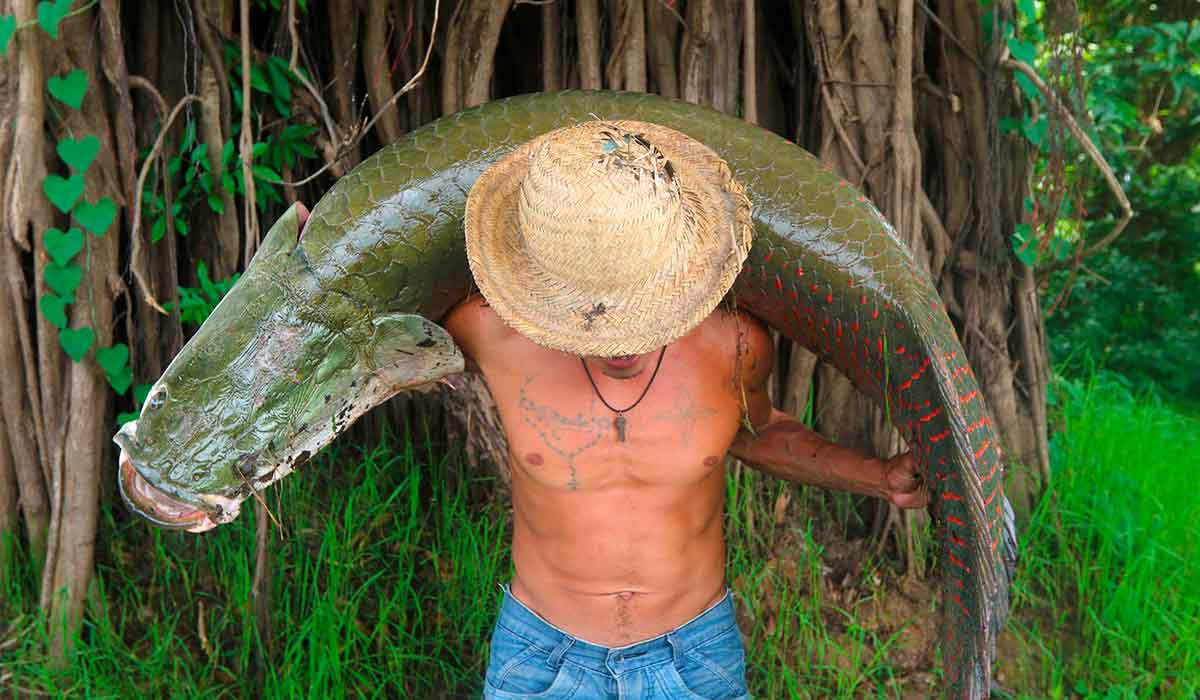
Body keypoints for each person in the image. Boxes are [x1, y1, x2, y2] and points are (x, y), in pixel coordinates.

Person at [444, 120, 927, 700]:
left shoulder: (734, 341)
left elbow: (757, 432)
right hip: (542, 656)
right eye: (594, 317)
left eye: (644, 311)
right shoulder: (490, 330)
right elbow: (375, 351)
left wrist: (878, 477)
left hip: (693, 656)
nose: (623, 346)